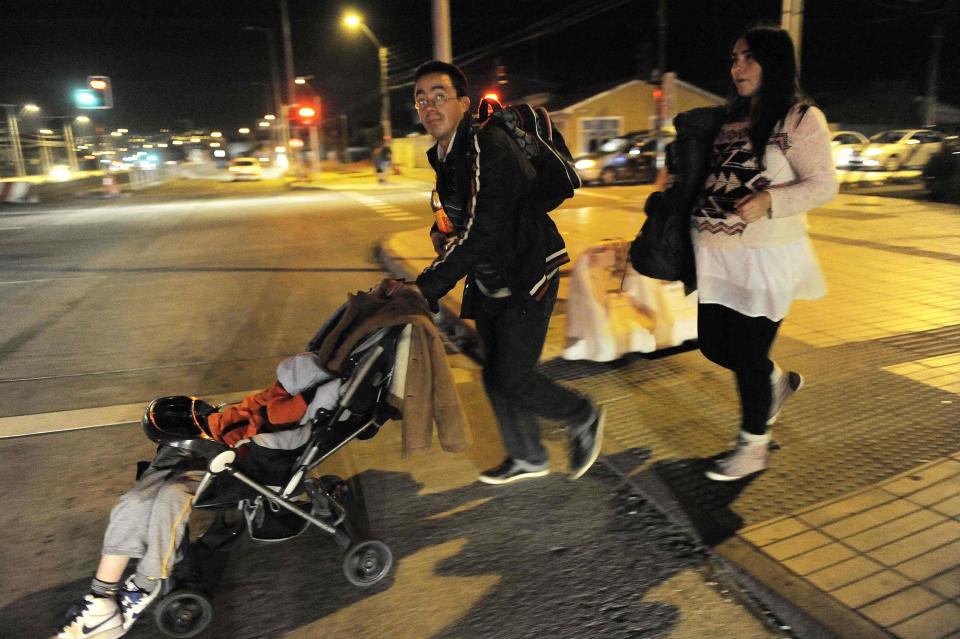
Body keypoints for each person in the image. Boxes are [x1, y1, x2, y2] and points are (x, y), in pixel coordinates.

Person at [411, 60, 604, 485]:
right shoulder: (445, 154)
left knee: (511, 377)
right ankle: (528, 455)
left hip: (526, 273)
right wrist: (439, 235)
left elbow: (484, 229)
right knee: (495, 371)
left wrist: (427, 286)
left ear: (463, 102)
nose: (429, 106)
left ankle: (582, 414)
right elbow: (461, 218)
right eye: (421, 99)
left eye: (439, 95)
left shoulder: (486, 144)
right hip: (490, 277)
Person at [687, 26, 837, 481]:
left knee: (748, 355)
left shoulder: (799, 118)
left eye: (749, 57)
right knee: (714, 345)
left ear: (774, 62)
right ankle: (775, 383)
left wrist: (772, 201)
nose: (737, 67)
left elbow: (825, 184)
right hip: (716, 254)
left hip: (763, 255)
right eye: (734, 58)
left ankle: (753, 446)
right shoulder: (732, 117)